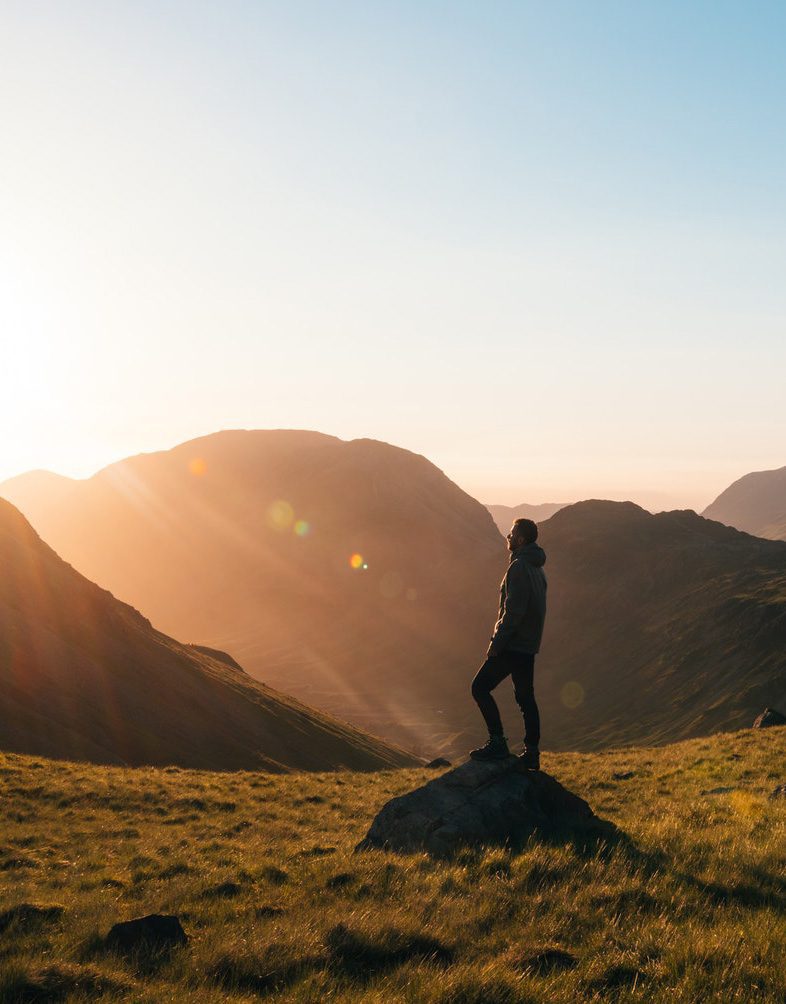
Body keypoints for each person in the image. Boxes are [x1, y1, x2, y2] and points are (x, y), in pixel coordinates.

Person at [469, 517, 547, 768]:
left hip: (513, 644)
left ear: (521, 539)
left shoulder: (519, 567)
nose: (508, 537)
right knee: (526, 698)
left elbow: (512, 613)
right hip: (527, 646)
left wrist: (496, 644)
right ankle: (532, 753)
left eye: (512, 534)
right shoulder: (537, 568)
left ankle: (497, 743)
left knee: (479, 687)